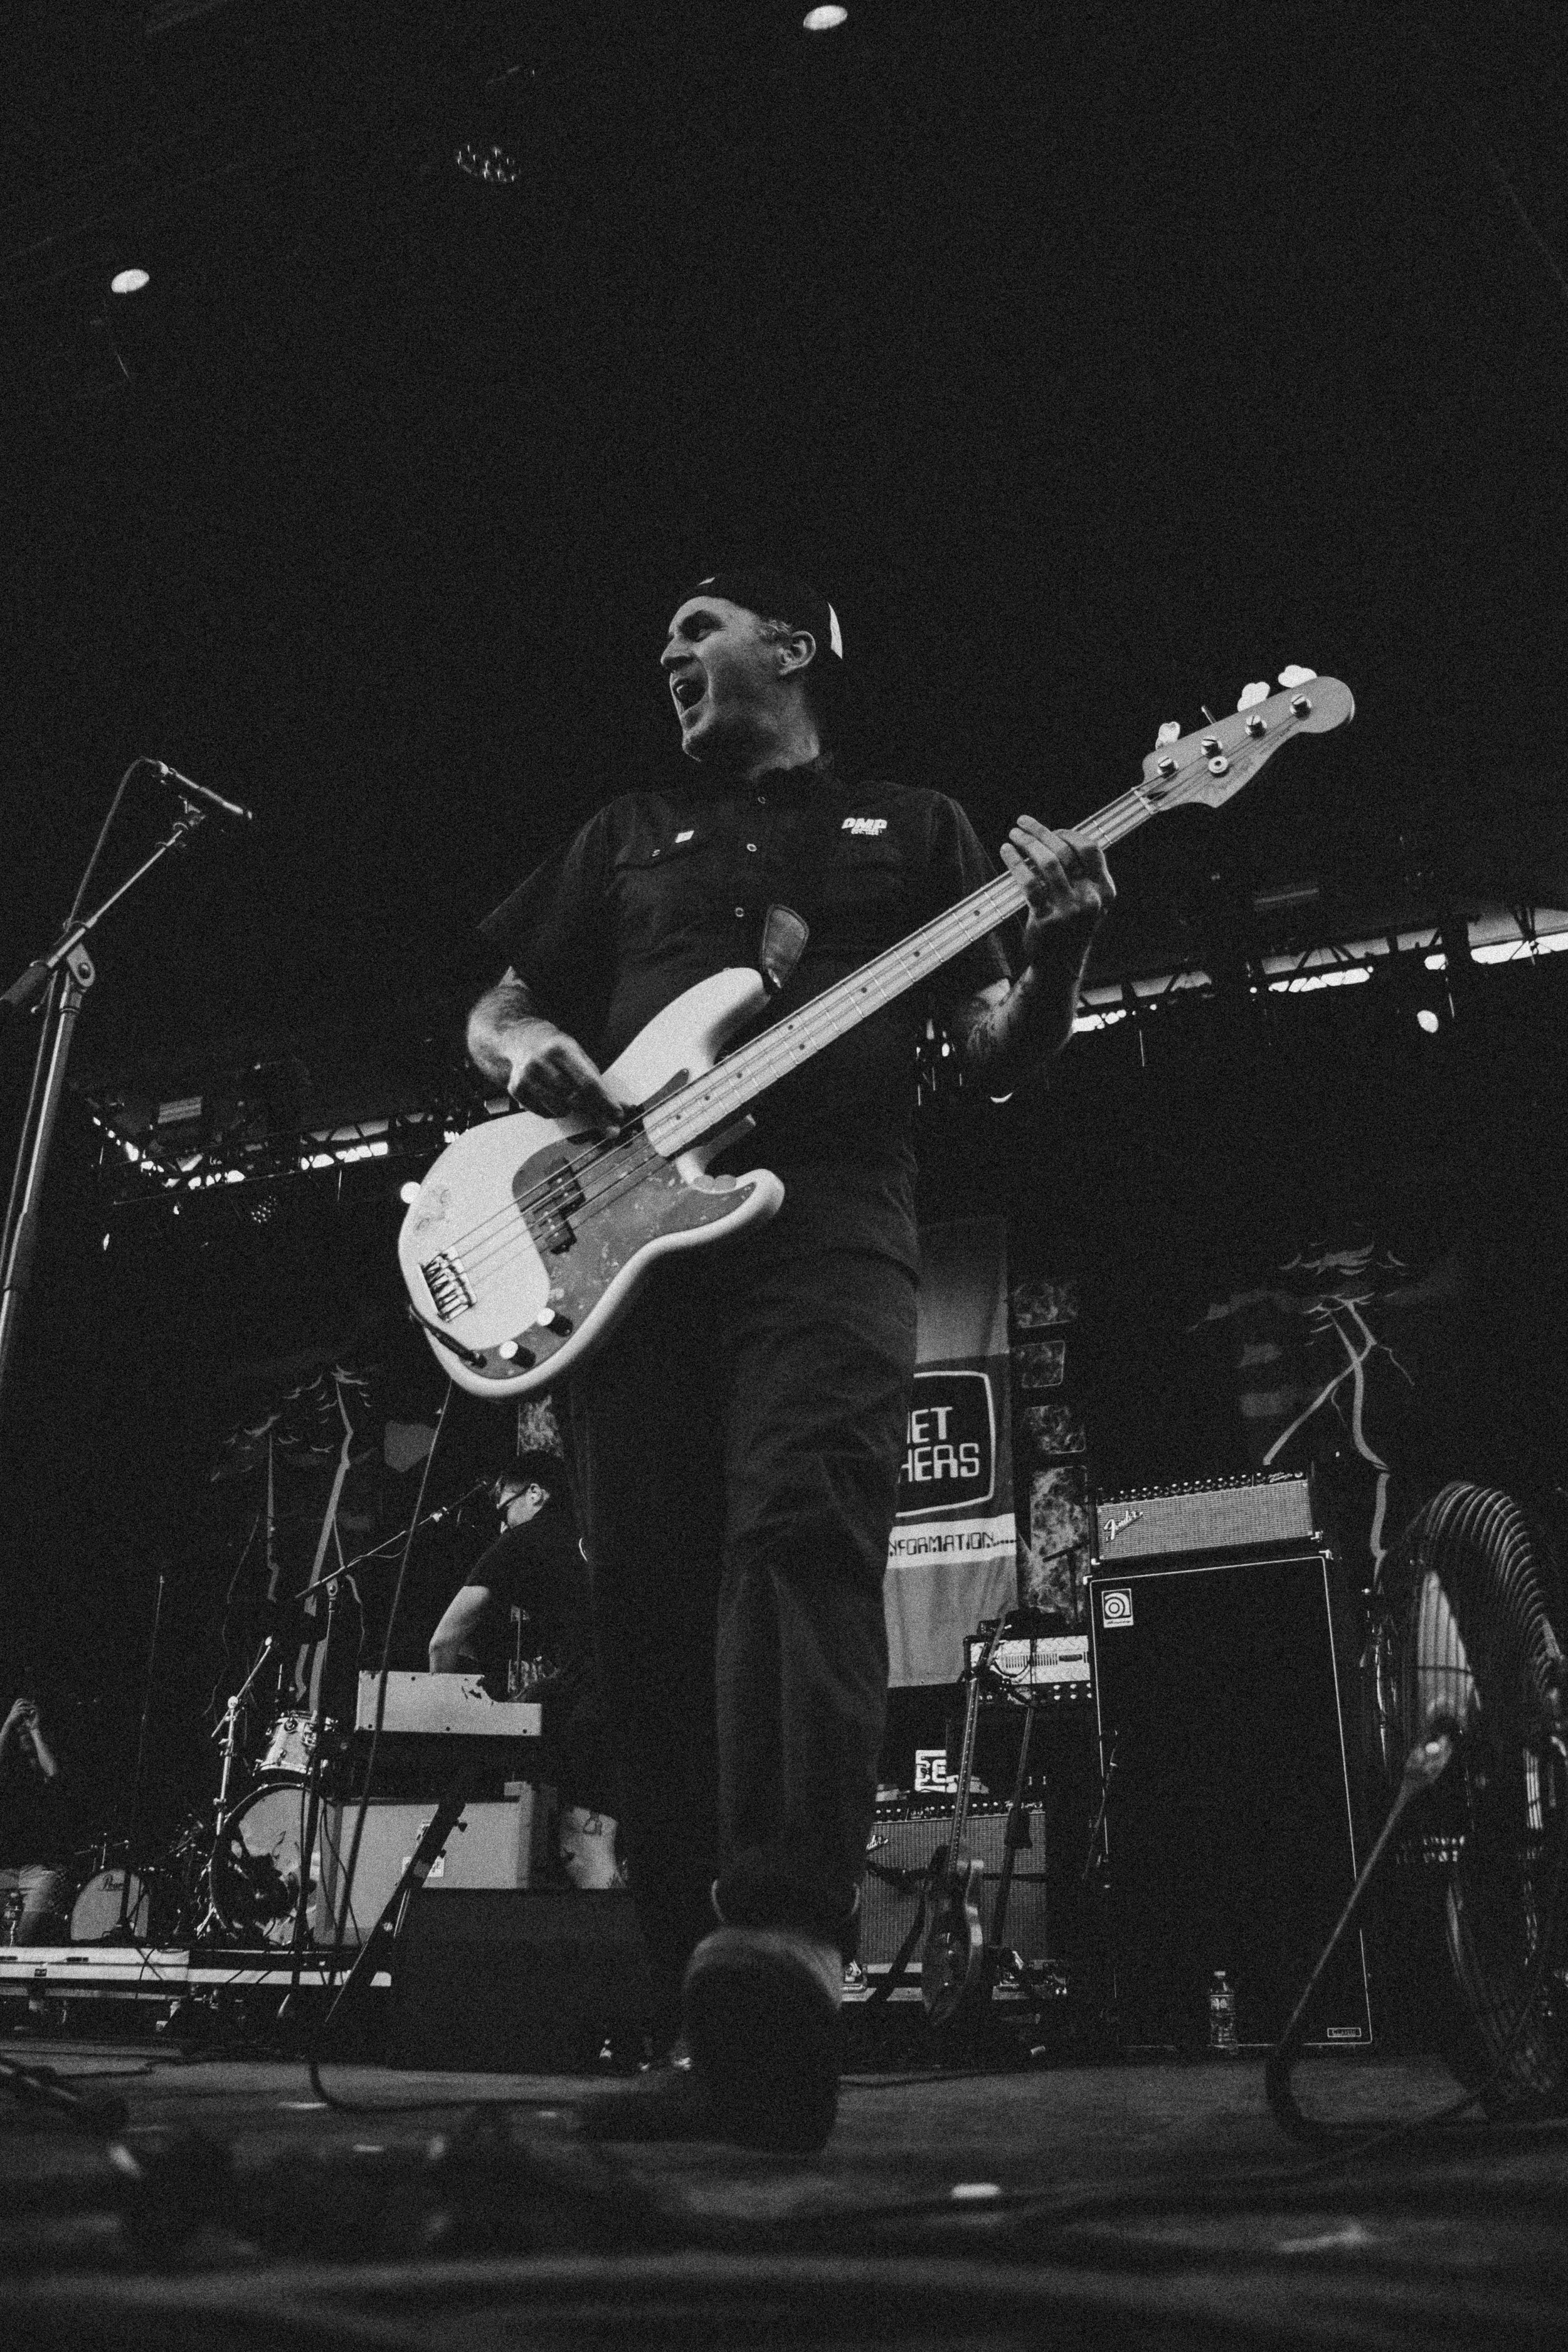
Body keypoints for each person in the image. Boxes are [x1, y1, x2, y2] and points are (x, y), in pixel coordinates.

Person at [466, 566, 1113, 2148]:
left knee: (804, 1527)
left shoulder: (919, 829)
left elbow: (990, 1051)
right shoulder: (625, 832)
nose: (667, 648)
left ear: (798, 644)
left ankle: (783, 1944)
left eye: (700, 624)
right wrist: (519, 1046)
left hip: (826, 1217)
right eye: (666, 633)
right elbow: (495, 996)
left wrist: (1071, 953)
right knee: (654, 1597)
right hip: (625, 1247)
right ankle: (702, 2000)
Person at [428, 1451, 622, 1888]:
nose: (502, 1526)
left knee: (583, 1845)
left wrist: (449, 1722)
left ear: (535, 1493)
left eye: (504, 1508)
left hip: (599, 1701)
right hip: (660, 1691)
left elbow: (443, 1642)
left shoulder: (523, 1540)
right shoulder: (598, 1533)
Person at [0, 1693, 72, 1945]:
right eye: (20, 1731)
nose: (24, 1732)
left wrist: (36, 1729)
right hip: (4, 1867)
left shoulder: (49, 1765)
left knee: (27, 1938)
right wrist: (8, 1724)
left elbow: (53, 1773)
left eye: (25, 1729)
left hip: (40, 1870)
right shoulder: (9, 1771)